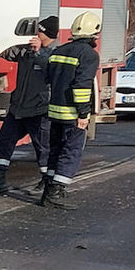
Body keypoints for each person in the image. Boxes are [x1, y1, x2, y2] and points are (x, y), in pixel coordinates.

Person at [0, 15, 59, 195]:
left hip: (39, 110)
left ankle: (47, 182)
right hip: (18, 109)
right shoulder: (25, 52)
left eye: (39, 32)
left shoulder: (54, 54)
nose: (35, 35)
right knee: (4, 142)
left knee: (43, 148)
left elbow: (51, 71)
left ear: (45, 34)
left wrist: (39, 53)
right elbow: (8, 52)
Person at [41, 11, 101, 210]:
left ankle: (49, 188)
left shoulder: (58, 51)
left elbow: (47, 79)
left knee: (55, 151)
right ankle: (56, 192)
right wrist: (84, 114)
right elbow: (82, 86)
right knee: (71, 151)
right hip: (73, 114)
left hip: (54, 111)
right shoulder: (90, 55)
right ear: (94, 34)